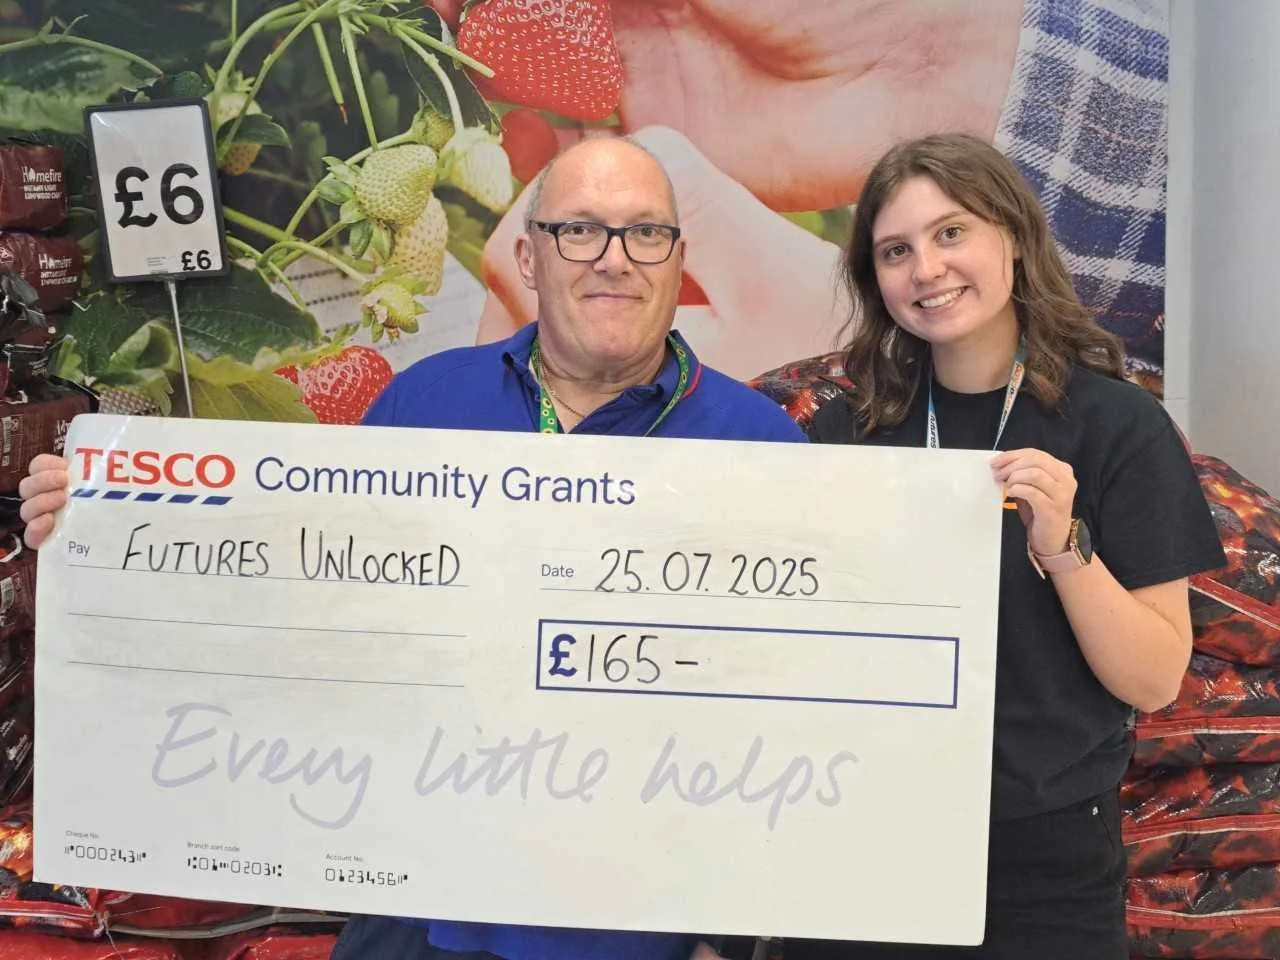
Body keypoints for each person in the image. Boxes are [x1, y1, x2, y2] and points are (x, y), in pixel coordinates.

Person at [18, 136, 805, 960]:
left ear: (678, 260)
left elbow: (792, 713)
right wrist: (106, 527)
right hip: (411, 913)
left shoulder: (763, 448)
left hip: (624, 930)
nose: (614, 259)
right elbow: (299, 596)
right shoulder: (425, 402)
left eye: (645, 232)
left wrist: (725, 937)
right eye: (579, 230)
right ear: (529, 257)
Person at [788, 133, 1225, 960]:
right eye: (895, 251)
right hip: (863, 834)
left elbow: (1154, 679)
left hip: (1042, 860)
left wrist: (1064, 549)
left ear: (1014, 240)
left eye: (951, 232)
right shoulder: (849, 434)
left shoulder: (1118, 427)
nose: (927, 269)